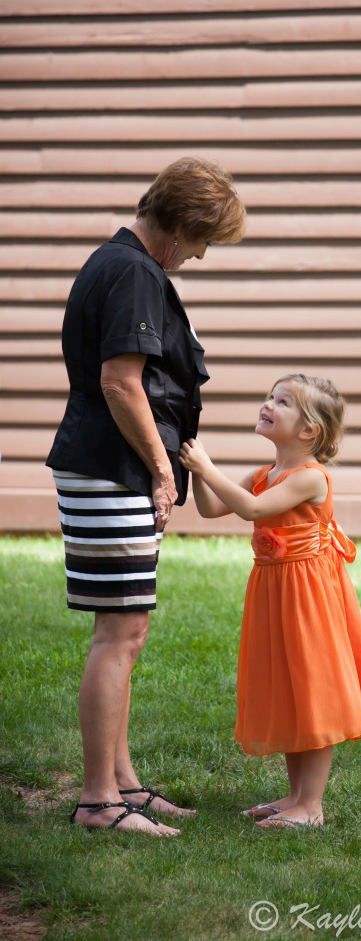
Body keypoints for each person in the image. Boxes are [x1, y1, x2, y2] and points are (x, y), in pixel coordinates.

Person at [46, 157, 246, 835]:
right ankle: (100, 802)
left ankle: (123, 782)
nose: (198, 255)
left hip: (107, 467)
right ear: (183, 223)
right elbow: (120, 383)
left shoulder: (121, 263)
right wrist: (163, 471)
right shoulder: (134, 271)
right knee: (118, 633)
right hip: (113, 468)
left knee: (130, 629)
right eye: (202, 241)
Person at [179, 373, 361, 829]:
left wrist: (205, 468)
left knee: (314, 687)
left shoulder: (310, 477)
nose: (267, 404)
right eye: (269, 397)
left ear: (308, 430)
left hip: (309, 594)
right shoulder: (263, 474)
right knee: (292, 687)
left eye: (281, 402)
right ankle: (295, 796)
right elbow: (212, 507)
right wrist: (194, 469)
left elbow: (253, 510)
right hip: (275, 589)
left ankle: (311, 808)